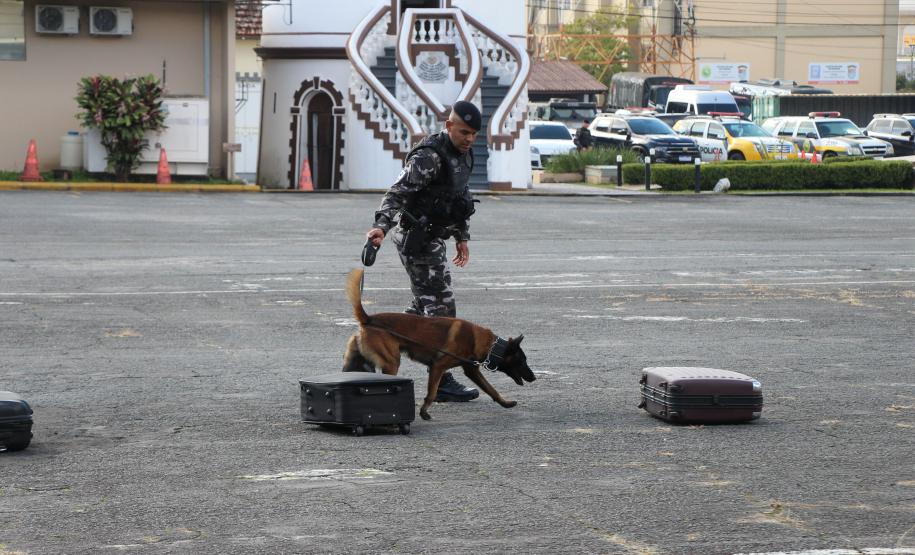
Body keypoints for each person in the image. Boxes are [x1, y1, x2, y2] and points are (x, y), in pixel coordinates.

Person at [364, 101, 482, 402]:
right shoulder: (429, 157)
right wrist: (381, 227)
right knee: (441, 308)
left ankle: (378, 343)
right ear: (449, 126)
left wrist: (461, 236)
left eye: (474, 134)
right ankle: (442, 381)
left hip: (434, 238)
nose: (469, 139)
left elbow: (460, 197)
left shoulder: (464, 156)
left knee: (421, 305)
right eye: (464, 132)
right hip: (415, 239)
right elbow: (398, 192)